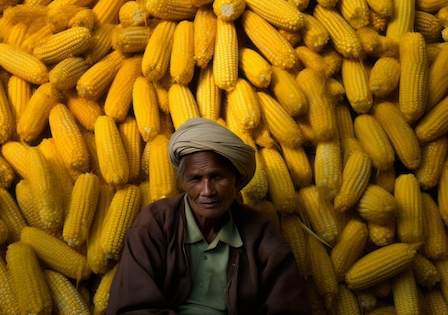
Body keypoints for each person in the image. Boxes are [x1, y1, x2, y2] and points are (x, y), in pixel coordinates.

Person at [106, 117, 310, 315]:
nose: (207, 191)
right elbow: (131, 306)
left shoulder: (260, 233)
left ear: (237, 181)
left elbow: (289, 306)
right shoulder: (155, 223)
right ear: (183, 184)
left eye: (217, 177)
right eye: (195, 179)